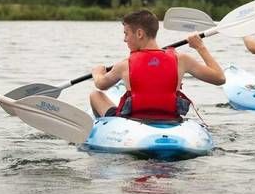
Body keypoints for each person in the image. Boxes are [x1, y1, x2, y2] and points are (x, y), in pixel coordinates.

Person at [90, 9, 225, 120]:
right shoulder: (182, 59)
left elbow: (101, 84)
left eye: (126, 34)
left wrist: (97, 72)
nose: (124, 39)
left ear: (139, 34)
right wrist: (200, 47)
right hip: (171, 120)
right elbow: (220, 78)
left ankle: (103, 129)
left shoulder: (124, 65)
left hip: (134, 122)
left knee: (95, 95)